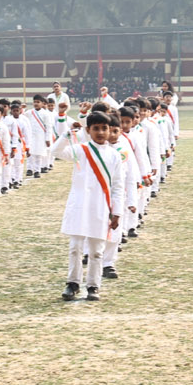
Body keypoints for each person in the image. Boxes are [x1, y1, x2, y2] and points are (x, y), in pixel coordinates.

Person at [52, 110, 125, 302]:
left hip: (101, 207)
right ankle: (73, 283)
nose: (100, 132)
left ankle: (93, 285)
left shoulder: (114, 155)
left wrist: (117, 212)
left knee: (96, 250)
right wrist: (68, 134)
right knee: (75, 248)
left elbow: (118, 185)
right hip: (79, 206)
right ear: (88, 130)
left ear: (109, 130)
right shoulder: (80, 150)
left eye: (104, 128)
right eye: (96, 128)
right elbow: (56, 152)